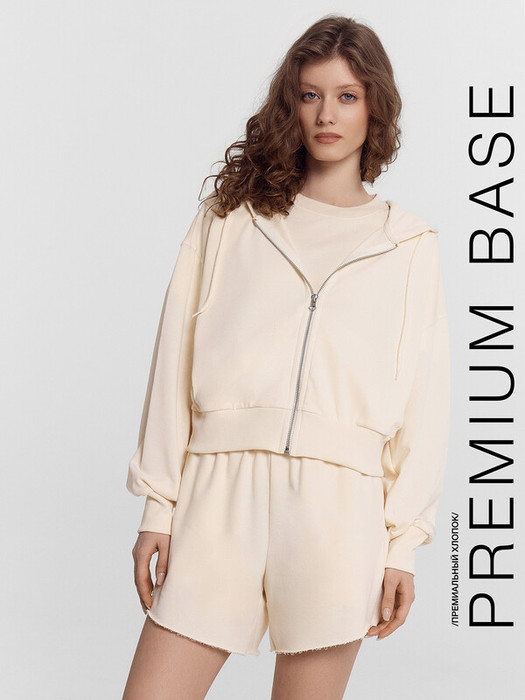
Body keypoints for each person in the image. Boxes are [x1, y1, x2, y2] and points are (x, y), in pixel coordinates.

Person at [122, 14, 450, 700]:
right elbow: (172, 362)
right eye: (310, 95)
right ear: (289, 104)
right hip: (219, 494)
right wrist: (159, 507)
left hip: (339, 512)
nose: (326, 115)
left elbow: (424, 402)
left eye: (347, 96)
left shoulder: (409, 245)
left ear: (375, 107)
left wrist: (401, 546)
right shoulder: (230, 218)